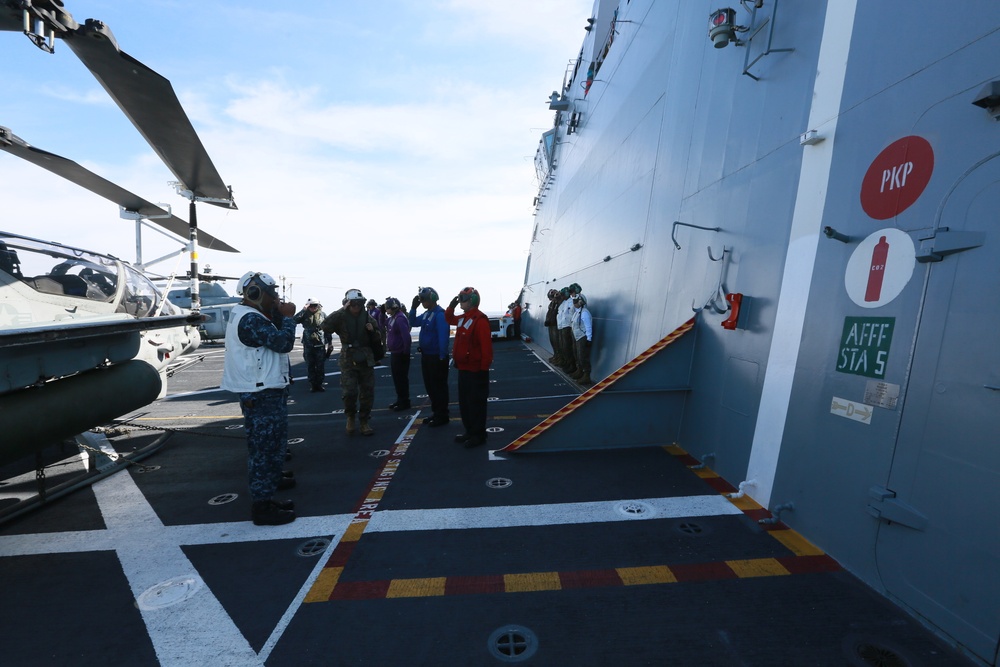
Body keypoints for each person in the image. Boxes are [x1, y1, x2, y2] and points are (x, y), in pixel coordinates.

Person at [220, 271, 297, 526]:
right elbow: (282, 342)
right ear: (254, 293)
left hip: (264, 392)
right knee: (264, 451)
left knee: (272, 447)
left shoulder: (248, 314)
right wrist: (287, 317)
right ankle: (262, 507)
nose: (275, 298)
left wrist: (278, 311)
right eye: (271, 293)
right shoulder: (251, 320)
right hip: (261, 394)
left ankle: (267, 494)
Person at [322, 289, 380, 436]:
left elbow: (379, 335)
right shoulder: (341, 317)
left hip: (365, 358)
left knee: (367, 392)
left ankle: (364, 420)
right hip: (348, 359)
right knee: (349, 392)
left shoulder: (367, 317)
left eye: (359, 303)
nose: (356, 306)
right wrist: (343, 309)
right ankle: (350, 417)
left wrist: (372, 331)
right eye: (353, 303)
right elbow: (325, 326)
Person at [445, 287, 494, 447]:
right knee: (465, 403)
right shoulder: (463, 318)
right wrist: (451, 306)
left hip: (476, 371)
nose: (460, 301)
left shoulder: (480, 320)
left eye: (463, 299)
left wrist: (483, 368)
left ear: (472, 300)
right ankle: (469, 431)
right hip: (463, 369)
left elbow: (486, 347)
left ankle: (478, 434)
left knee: (476, 404)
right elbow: (449, 319)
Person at [409, 286, 450, 426]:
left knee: (439, 387)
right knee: (431, 387)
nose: (422, 302)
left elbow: (443, 337)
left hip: (436, 357)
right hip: (427, 356)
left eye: (424, 299)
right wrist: (413, 308)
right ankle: (436, 412)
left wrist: (442, 356)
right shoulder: (427, 314)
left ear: (432, 299)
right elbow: (413, 322)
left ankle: (442, 415)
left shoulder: (439, 314)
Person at [293, 298, 332, 392]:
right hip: (308, 343)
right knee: (310, 364)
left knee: (320, 365)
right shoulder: (304, 314)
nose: (314, 307)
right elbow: (294, 320)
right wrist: (303, 310)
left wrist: (330, 343)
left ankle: (319, 383)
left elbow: (328, 329)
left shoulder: (323, 315)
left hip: (320, 343)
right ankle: (313, 384)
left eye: (316, 305)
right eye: (312, 305)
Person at [384, 297, 411, 410]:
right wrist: (381, 313)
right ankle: (400, 399)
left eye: (387, 307)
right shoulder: (393, 318)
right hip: (395, 353)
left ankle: (404, 401)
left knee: (401, 379)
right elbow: (382, 323)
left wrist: (406, 352)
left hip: (400, 353)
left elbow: (406, 336)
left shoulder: (399, 318)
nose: (386, 309)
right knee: (397, 378)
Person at [570, 293, 594, 385]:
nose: (574, 303)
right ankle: (579, 371)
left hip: (582, 337)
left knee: (582, 356)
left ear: (581, 302)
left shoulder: (585, 313)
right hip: (577, 336)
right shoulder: (577, 312)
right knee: (577, 355)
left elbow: (588, 327)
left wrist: (589, 339)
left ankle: (586, 375)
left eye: (575, 301)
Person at [556, 287, 576, 375]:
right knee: (563, 346)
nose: (562, 296)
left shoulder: (571, 302)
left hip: (568, 326)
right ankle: (567, 362)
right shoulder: (563, 303)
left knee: (568, 347)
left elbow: (571, 314)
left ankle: (572, 365)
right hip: (562, 326)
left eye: (563, 295)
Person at [544, 288, 562, 364]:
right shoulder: (552, 304)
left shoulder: (559, 303)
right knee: (553, 341)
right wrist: (547, 320)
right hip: (551, 324)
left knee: (557, 342)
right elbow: (550, 313)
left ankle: (560, 358)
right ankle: (556, 355)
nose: (552, 300)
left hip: (556, 325)